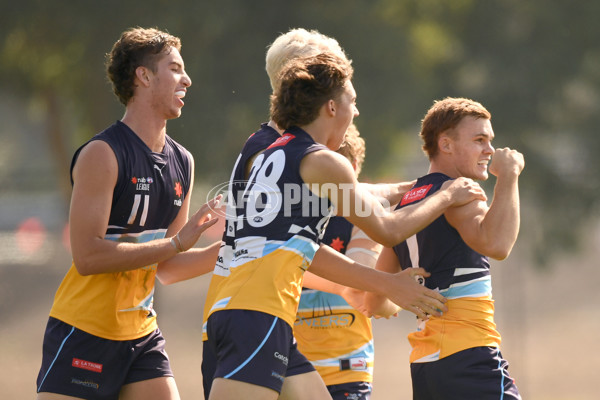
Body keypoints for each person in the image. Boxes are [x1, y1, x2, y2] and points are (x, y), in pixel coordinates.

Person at [203, 53, 486, 400]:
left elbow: (307, 241)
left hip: (247, 312)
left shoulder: (263, 152)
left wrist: (410, 190)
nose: (356, 111)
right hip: (257, 314)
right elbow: (389, 229)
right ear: (332, 108)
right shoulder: (323, 162)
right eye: (352, 100)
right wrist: (446, 193)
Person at [35, 27, 221, 400]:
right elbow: (87, 256)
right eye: (175, 68)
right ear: (144, 75)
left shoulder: (182, 160)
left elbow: (167, 266)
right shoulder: (102, 154)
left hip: (141, 336)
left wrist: (232, 252)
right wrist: (176, 244)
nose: (187, 78)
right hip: (84, 332)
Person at [364, 97, 524, 399]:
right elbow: (497, 244)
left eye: (490, 140)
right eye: (479, 140)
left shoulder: (407, 203)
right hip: (470, 356)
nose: (489, 150)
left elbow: (375, 303)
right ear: (446, 144)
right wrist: (510, 176)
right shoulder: (459, 191)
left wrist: (416, 294)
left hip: (427, 366)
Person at [294, 123, 382, 400]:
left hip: (348, 364)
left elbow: (360, 282)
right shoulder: (292, 215)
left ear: (354, 167)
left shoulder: (367, 217)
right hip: (291, 364)